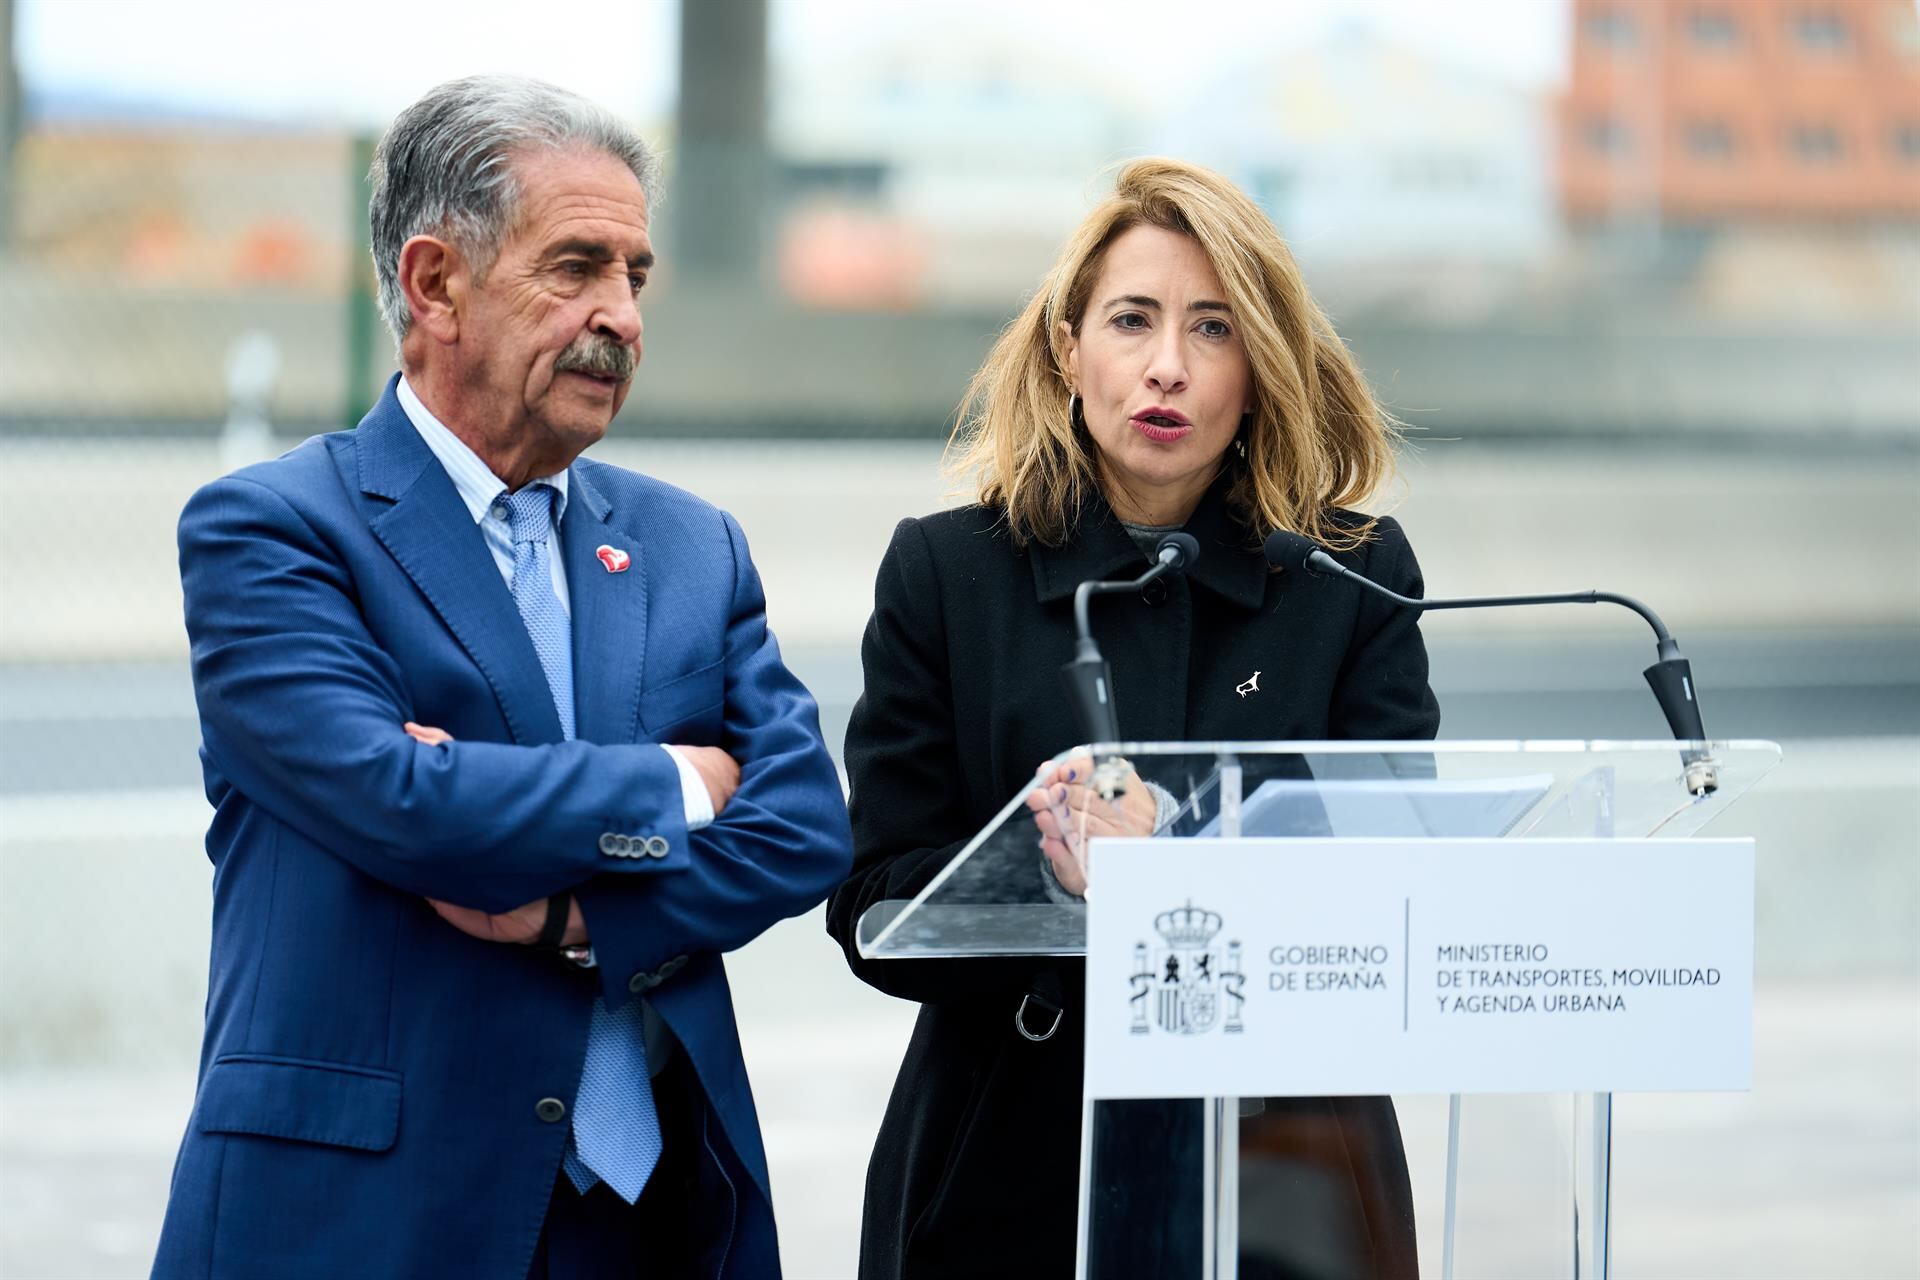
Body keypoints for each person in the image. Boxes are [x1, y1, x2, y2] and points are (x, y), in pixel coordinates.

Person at [151, 76, 852, 1280]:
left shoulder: (693, 544)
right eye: (577, 266)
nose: (621, 314)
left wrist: (581, 917)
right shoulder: (271, 530)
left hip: (653, 1216)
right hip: (365, 1214)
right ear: (435, 285)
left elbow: (803, 825)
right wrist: (678, 785)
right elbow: (396, 801)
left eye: (636, 274)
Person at [824, 158, 1441, 1279]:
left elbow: (1395, 879)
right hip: (1008, 1163)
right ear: (1069, 350)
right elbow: (871, 910)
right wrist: (1052, 883)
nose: (1167, 366)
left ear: (1260, 369)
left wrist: (1181, 864)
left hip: (1291, 1169)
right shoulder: (948, 571)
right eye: (1132, 320)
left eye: (1214, 328)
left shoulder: (1354, 576)